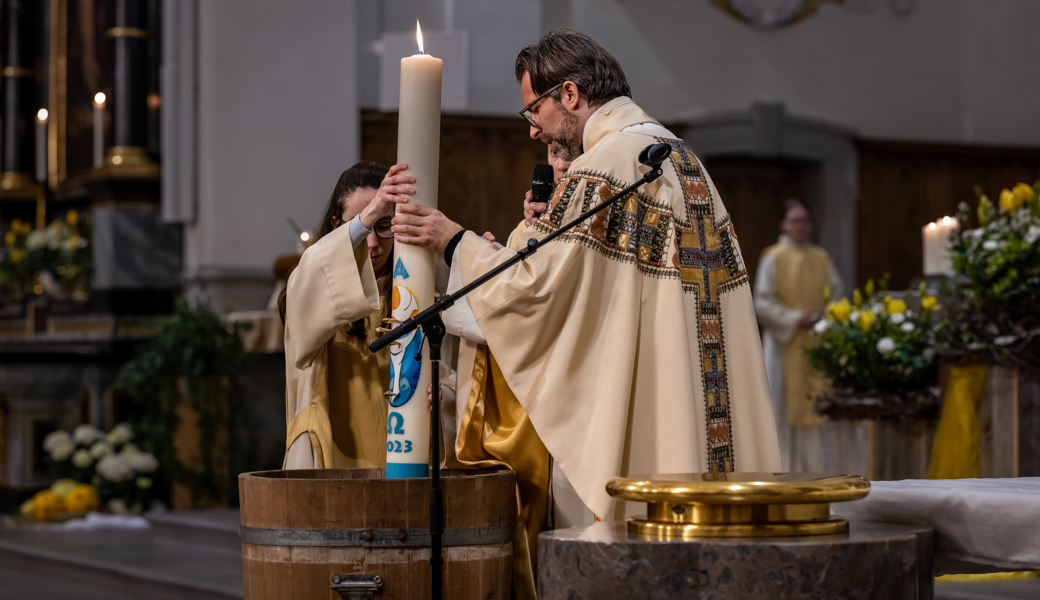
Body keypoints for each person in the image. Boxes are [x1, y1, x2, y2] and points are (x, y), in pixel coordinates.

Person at [393, 30, 782, 594]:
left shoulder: (608, 164)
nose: (533, 129)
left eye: (534, 109)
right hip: (699, 405)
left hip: (637, 410)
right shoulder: (679, 157)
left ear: (569, 94)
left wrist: (452, 241)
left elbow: (536, 294)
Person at [282, 161, 417, 469]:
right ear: (335, 224)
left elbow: (446, 372)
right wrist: (370, 215)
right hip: (330, 446)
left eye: (384, 225)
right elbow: (311, 276)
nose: (373, 243)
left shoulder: (417, 288)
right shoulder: (312, 280)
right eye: (361, 225)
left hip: (401, 447)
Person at [754, 199, 844, 473]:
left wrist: (822, 317)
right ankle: (784, 468)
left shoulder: (821, 257)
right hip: (784, 345)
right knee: (782, 407)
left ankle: (815, 469)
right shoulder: (773, 257)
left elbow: (837, 295)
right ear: (783, 224)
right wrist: (795, 318)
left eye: (805, 220)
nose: (800, 226)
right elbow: (762, 302)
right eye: (794, 220)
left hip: (816, 340)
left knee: (817, 402)